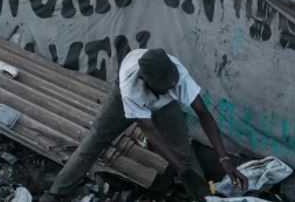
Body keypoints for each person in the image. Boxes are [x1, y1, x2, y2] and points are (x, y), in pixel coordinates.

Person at [41, 48, 247, 201]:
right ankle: (55, 192)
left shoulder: (176, 75)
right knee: (95, 140)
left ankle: (203, 198)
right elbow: (150, 131)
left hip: (164, 106)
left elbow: (203, 113)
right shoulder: (131, 88)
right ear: (147, 81)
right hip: (121, 100)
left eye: (173, 83)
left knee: (184, 151)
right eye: (167, 86)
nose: (173, 87)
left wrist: (224, 158)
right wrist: (180, 170)